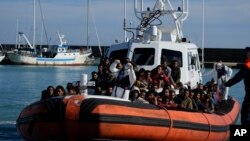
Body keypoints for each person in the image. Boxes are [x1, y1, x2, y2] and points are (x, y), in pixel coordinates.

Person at [224, 47, 250, 125]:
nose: (247, 54)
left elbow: (237, 78)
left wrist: (226, 84)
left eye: (248, 53)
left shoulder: (247, 66)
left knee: (245, 116)